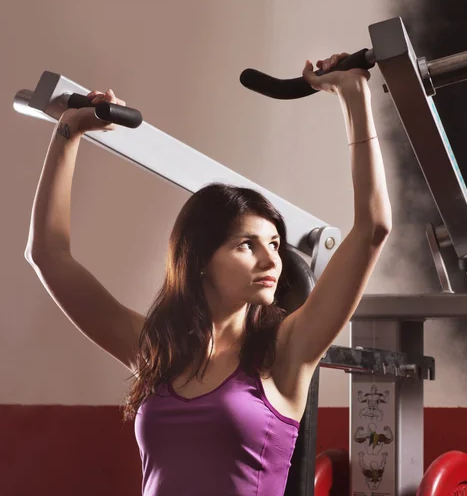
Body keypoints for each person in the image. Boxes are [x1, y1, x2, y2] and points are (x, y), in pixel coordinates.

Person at [24, 53, 392, 496]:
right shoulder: (155, 352)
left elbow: (373, 228)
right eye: (246, 245)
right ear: (199, 258)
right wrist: (68, 130)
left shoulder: (287, 353)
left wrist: (354, 96)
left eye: (274, 245)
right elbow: (47, 254)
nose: (271, 260)